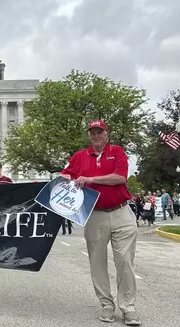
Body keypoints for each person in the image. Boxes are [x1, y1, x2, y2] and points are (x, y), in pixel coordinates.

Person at [60, 119, 140, 326]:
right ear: (88, 135)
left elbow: (120, 178)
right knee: (97, 262)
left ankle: (128, 307)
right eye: (92, 132)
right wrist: (68, 181)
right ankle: (106, 305)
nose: (96, 136)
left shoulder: (118, 152)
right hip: (94, 215)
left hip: (121, 212)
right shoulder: (79, 156)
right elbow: (63, 176)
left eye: (99, 132)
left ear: (106, 134)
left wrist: (89, 180)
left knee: (124, 260)